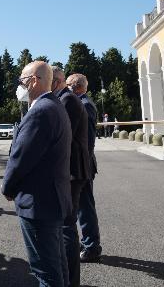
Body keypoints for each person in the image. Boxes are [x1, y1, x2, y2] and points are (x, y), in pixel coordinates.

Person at [2, 61, 72, 287]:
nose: (19, 85)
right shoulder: (54, 105)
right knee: (57, 267)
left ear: (33, 81)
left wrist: (7, 187)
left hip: (39, 204)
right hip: (52, 199)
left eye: (22, 80)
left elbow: (21, 158)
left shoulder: (40, 111)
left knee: (46, 272)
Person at [51, 67, 90, 287]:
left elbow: (59, 137)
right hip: (73, 169)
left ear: (55, 81)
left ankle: (70, 281)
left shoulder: (67, 100)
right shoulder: (67, 99)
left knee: (66, 227)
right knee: (66, 226)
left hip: (72, 171)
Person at [66, 73, 102, 263]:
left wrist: (82, 165)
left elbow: (87, 141)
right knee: (81, 207)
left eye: (68, 85)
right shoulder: (82, 102)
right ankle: (88, 243)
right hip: (83, 164)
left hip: (84, 165)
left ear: (75, 86)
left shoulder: (85, 104)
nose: (66, 88)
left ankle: (92, 247)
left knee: (85, 208)